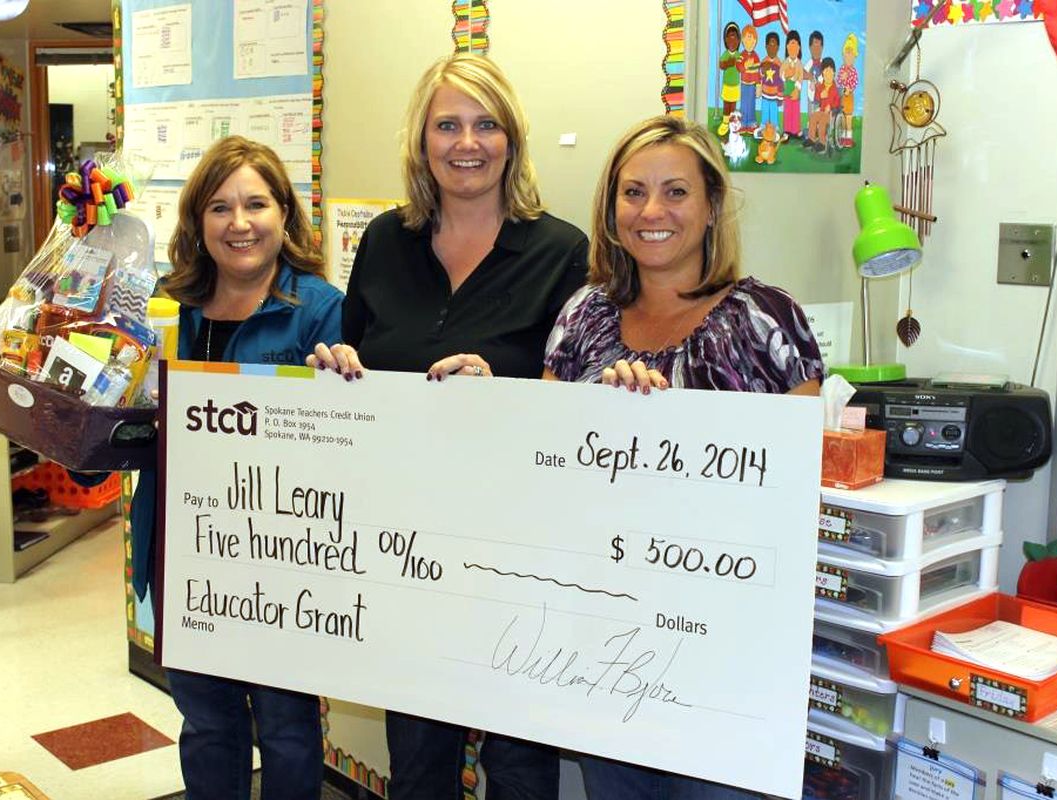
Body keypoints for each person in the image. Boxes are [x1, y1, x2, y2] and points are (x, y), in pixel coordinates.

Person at [308, 53, 588, 799]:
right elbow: (364, 362)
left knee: (520, 760)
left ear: (511, 139)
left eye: (486, 124)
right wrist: (341, 372)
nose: (468, 142)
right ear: (422, 141)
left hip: (518, 547)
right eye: (449, 125)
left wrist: (501, 392)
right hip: (409, 545)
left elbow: (579, 402)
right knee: (420, 753)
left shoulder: (562, 253)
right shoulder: (383, 244)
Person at [544, 114, 822, 798]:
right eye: (633, 193)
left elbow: (797, 492)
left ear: (711, 207)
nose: (652, 211)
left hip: (728, 655)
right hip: (604, 646)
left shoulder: (766, 319)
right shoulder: (582, 316)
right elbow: (543, 470)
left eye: (675, 192)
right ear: (611, 212)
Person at [131, 135, 342, 800]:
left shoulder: (318, 308)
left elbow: (342, 439)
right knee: (206, 721)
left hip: (281, 557)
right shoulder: (168, 306)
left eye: (256, 204)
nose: (239, 223)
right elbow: (129, 418)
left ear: (285, 214)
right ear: (197, 221)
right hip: (186, 549)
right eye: (219, 208)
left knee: (285, 726)